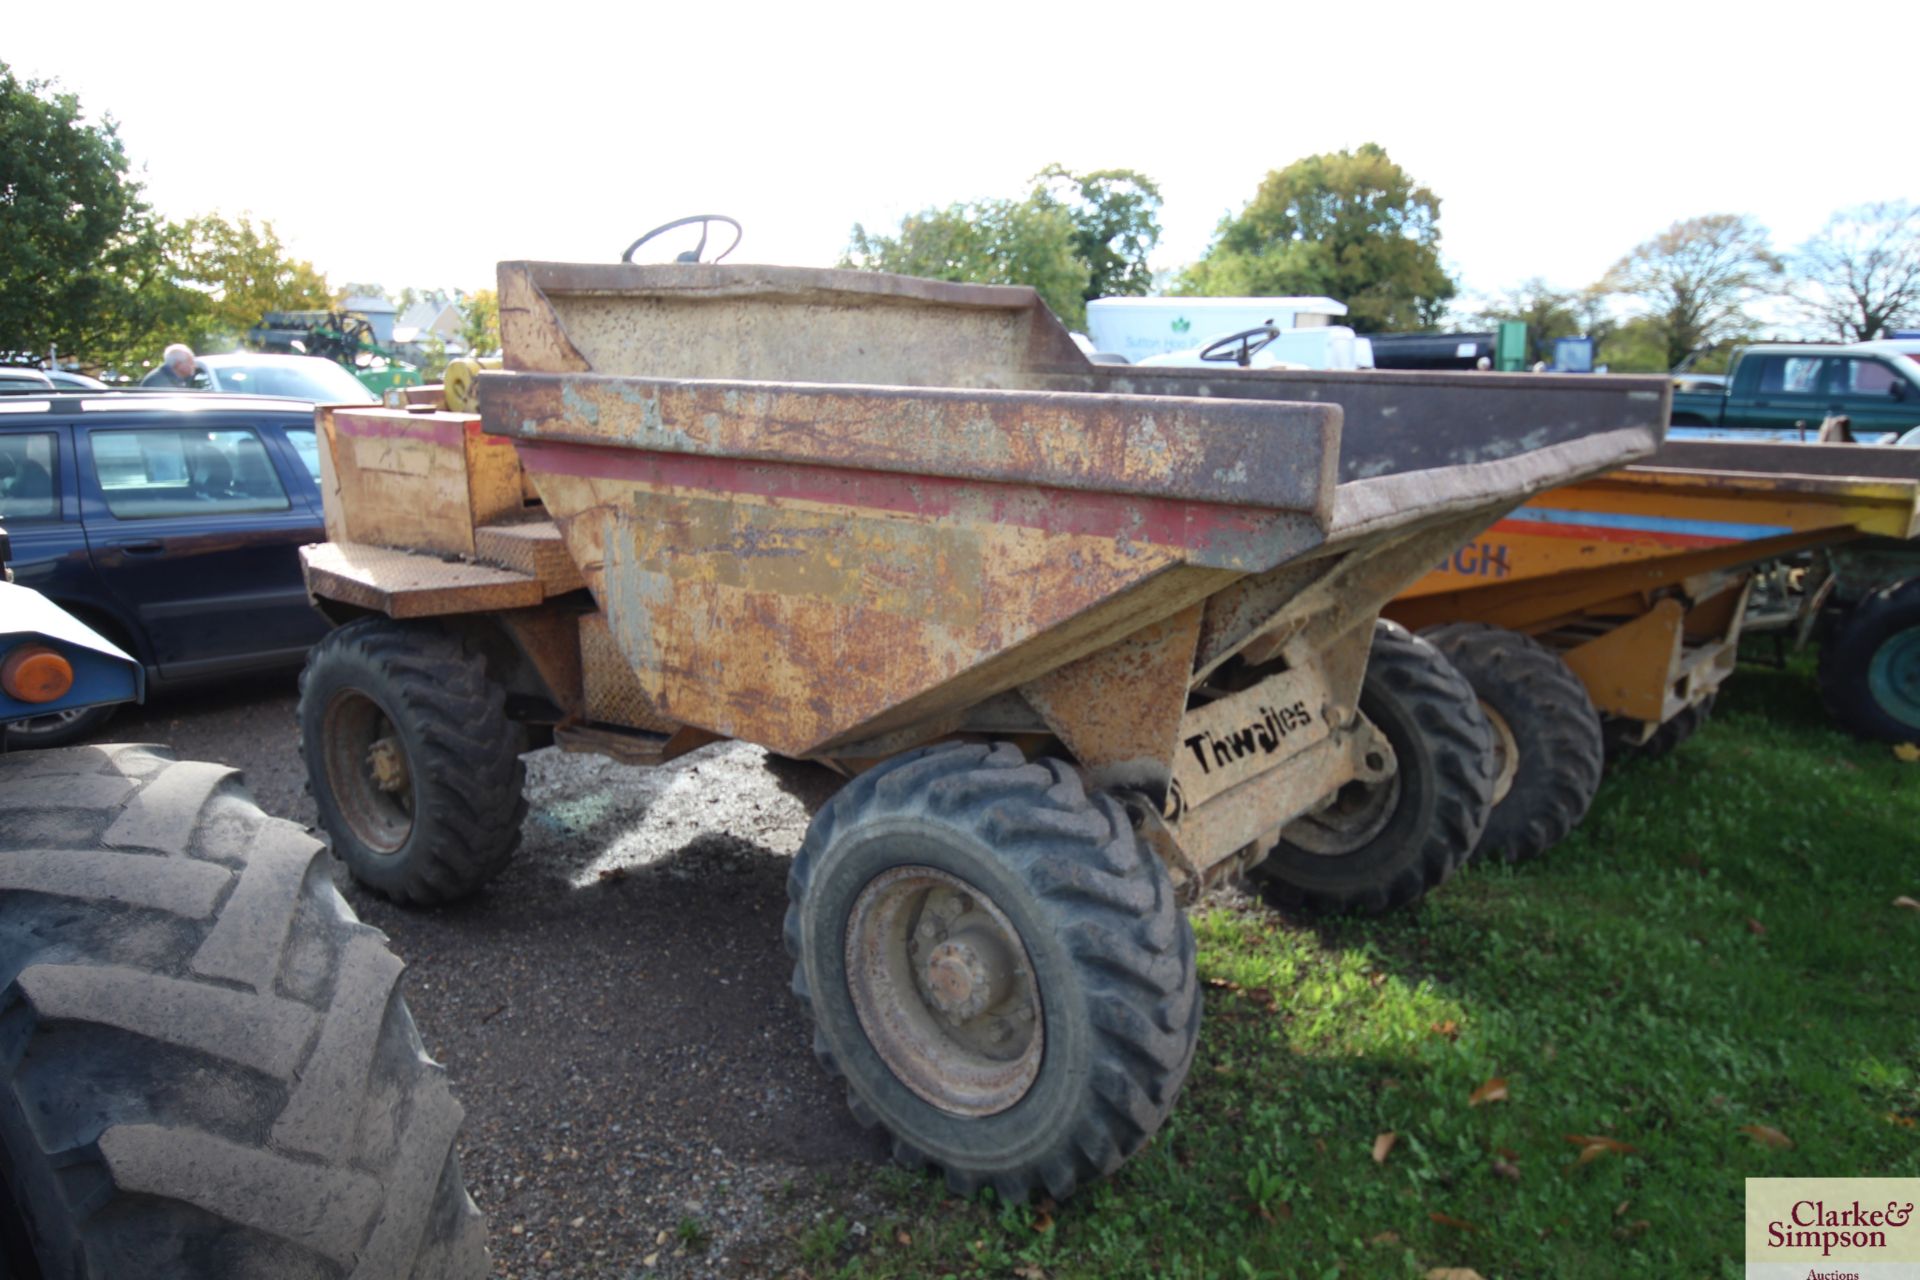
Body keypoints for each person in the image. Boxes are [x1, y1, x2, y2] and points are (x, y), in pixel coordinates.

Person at [141, 344, 209, 390]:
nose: (195, 366)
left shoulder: (175, 379)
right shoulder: (158, 382)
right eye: (190, 362)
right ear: (178, 364)